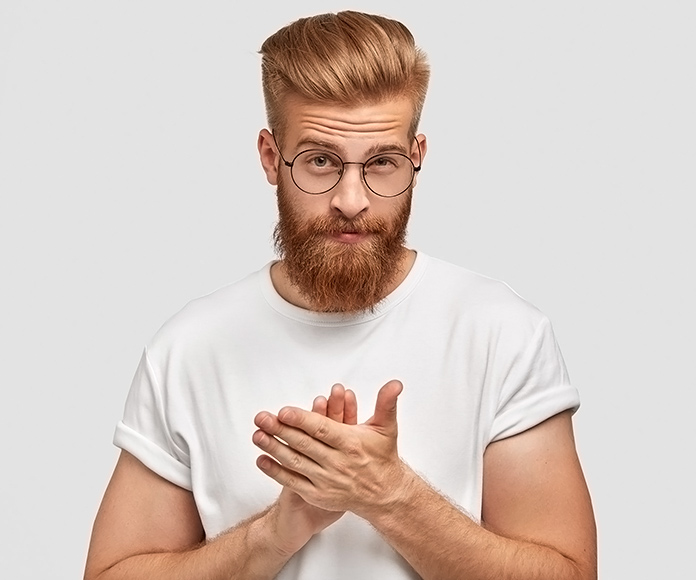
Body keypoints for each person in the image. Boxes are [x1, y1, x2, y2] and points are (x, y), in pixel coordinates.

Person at [84, 10, 596, 580]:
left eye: (381, 162)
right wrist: (275, 534)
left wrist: (390, 494)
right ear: (270, 158)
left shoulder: (503, 334)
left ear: (417, 158)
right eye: (321, 161)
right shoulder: (189, 349)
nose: (351, 199)